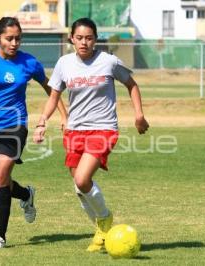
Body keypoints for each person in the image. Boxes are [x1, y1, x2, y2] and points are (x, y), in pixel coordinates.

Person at [33, 17, 149, 252]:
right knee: (79, 187)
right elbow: (54, 96)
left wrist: (139, 115)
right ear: (71, 39)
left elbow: (132, 85)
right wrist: (42, 121)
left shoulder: (109, 62)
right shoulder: (64, 64)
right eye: (79, 38)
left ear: (95, 39)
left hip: (103, 128)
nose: (84, 42)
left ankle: (104, 219)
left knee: (82, 179)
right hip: (75, 130)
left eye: (89, 38)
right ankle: (101, 230)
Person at [0, 17, 67, 249]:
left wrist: (64, 116)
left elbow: (51, 88)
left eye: (18, 38)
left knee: (0, 178)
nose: (14, 42)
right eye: (9, 38)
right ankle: (26, 194)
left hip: (15, 126)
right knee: (2, 182)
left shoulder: (28, 62)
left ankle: (0, 236)